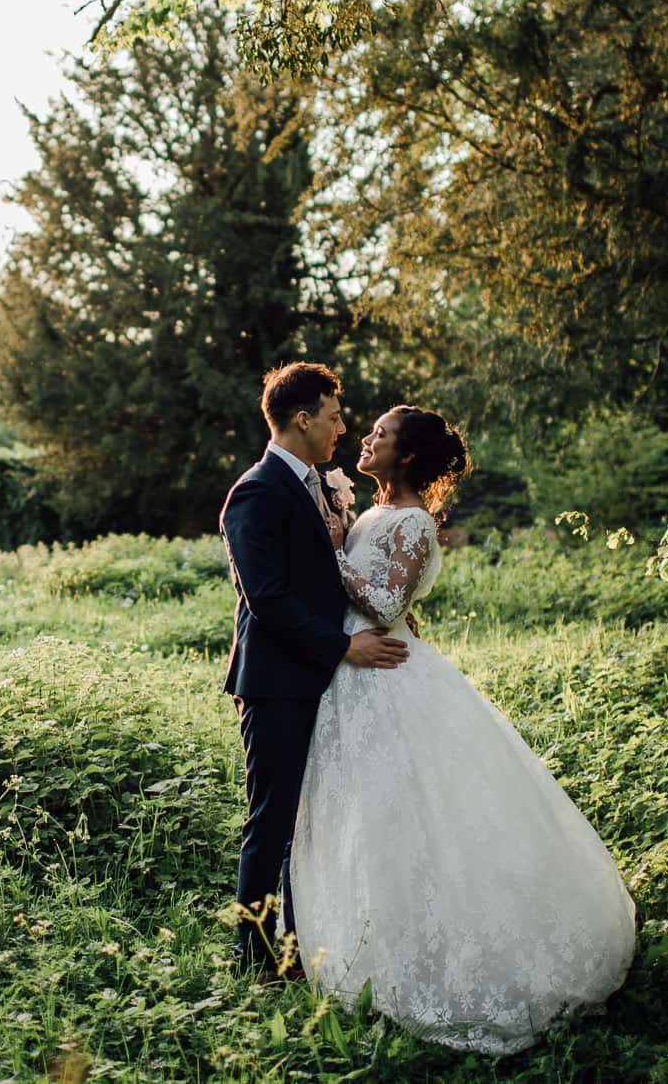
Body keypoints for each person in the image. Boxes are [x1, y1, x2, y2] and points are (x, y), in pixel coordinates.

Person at [290, 405, 638, 1054]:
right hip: (350, 674)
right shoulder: (368, 514)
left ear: (409, 456)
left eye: (380, 436)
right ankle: (364, 942)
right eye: (367, 432)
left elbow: (390, 602)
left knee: (416, 816)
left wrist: (329, 546)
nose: (365, 439)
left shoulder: (415, 519)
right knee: (362, 818)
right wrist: (340, 540)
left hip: (387, 677)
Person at [219, 362, 411, 979]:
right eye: (333, 415)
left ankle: (305, 944)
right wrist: (341, 647)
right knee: (272, 821)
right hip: (276, 683)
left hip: (325, 683)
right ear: (302, 418)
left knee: (316, 821)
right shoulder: (255, 491)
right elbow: (266, 599)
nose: (342, 427)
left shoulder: (320, 485)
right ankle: (255, 960)